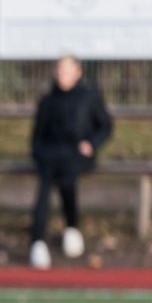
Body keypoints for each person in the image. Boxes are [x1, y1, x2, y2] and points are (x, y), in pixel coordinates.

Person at [28, 55, 112, 270]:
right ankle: (38, 242)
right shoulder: (48, 100)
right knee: (44, 190)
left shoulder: (88, 96)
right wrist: (40, 155)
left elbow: (105, 126)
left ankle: (72, 227)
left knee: (67, 182)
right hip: (50, 155)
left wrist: (91, 143)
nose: (62, 75)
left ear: (77, 72)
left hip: (76, 155)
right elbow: (37, 136)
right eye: (59, 70)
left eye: (67, 71)